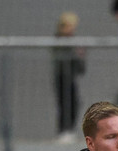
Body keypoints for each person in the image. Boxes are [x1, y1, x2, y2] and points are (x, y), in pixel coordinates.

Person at [52, 12, 85, 143]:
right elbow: (61, 57)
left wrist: (79, 55)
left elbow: (79, 62)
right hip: (62, 75)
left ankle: (69, 129)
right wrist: (75, 53)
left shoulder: (72, 40)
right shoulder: (59, 40)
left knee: (74, 102)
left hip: (70, 75)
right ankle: (63, 130)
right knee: (64, 103)